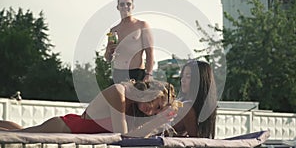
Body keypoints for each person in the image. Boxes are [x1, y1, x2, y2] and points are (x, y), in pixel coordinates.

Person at [0, 80, 181, 138]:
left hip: (72, 132)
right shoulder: (120, 92)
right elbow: (124, 137)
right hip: (64, 128)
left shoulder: (135, 108)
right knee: (18, 136)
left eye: (158, 112)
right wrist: (156, 123)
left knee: (21, 133)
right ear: (152, 93)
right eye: (156, 106)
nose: (152, 112)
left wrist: (157, 123)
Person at [104, 0, 154, 83]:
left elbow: (150, 53)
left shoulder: (142, 25)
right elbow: (108, 58)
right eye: (122, 4)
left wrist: (149, 74)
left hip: (137, 73)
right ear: (118, 7)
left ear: (133, 6)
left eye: (128, 4)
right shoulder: (113, 30)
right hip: (118, 73)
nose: (125, 6)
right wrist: (108, 50)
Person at [172, 60, 217, 138]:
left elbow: (196, 141)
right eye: (182, 76)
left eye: (188, 77)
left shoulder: (187, 107)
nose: (183, 80)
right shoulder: (206, 106)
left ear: (199, 80)